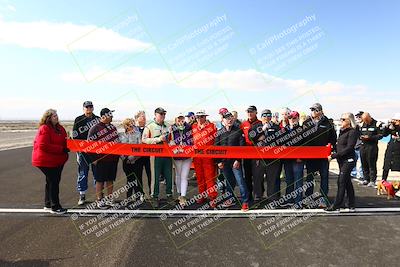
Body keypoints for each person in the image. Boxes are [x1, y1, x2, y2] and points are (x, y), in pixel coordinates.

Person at [32, 109, 69, 214]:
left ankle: (48, 204)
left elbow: (65, 140)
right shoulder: (44, 128)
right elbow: (43, 145)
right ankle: (55, 206)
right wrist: (61, 149)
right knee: (54, 182)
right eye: (54, 116)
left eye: (57, 115)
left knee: (50, 181)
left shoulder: (60, 128)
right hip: (45, 160)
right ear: (48, 118)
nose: (56, 117)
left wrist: (69, 144)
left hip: (56, 160)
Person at [303, 103, 337, 208]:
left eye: (315, 110)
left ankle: (323, 199)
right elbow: (303, 138)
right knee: (310, 177)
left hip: (323, 155)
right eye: (312, 109)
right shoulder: (306, 122)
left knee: (324, 176)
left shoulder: (328, 123)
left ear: (320, 111)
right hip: (310, 155)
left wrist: (331, 149)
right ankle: (308, 198)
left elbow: (333, 138)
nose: (313, 111)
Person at [215, 111, 249, 211]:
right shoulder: (219, 132)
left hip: (235, 162)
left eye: (231, 118)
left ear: (233, 119)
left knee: (240, 181)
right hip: (224, 163)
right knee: (229, 182)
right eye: (227, 118)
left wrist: (238, 160)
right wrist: (219, 161)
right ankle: (230, 199)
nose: (229, 120)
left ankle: (245, 202)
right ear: (223, 120)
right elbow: (216, 148)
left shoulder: (238, 131)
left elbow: (242, 147)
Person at [87, 108, 120, 209]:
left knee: (110, 179)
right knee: (99, 180)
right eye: (110, 115)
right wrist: (93, 159)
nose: (112, 117)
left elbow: (117, 142)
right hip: (100, 160)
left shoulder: (113, 128)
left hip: (112, 159)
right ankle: (99, 200)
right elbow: (89, 145)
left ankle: (110, 199)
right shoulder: (94, 128)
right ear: (104, 116)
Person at [326, 113, 359, 211]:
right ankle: (351, 204)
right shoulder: (342, 131)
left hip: (348, 160)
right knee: (347, 181)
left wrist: (334, 156)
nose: (341, 121)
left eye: (343, 119)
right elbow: (340, 145)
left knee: (341, 181)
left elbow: (349, 148)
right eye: (341, 119)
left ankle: (337, 205)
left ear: (349, 121)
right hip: (342, 160)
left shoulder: (352, 132)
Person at [249, 109, 282, 203]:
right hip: (258, 158)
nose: (266, 117)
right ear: (261, 116)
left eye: (268, 115)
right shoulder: (256, 126)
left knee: (272, 179)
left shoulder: (276, 127)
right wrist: (262, 130)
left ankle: (272, 198)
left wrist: (264, 139)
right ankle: (257, 197)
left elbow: (280, 138)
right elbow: (251, 137)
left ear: (271, 116)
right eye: (264, 115)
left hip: (272, 158)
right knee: (257, 178)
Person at [142, 107, 172, 208]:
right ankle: (154, 197)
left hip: (167, 155)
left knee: (169, 176)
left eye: (164, 114)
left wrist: (172, 143)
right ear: (155, 115)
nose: (163, 116)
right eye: (161, 114)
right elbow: (144, 140)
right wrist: (158, 139)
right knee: (155, 176)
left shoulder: (168, 126)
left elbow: (172, 140)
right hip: (155, 155)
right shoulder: (149, 126)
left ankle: (169, 195)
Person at [72, 100, 100, 206]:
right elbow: (75, 135)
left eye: (90, 107)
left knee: (97, 173)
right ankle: (82, 195)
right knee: (83, 172)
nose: (88, 109)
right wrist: (80, 148)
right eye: (86, 107)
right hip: (82, 151)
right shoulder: (78, 119)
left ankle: (98, 196)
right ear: (83, 108)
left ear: (93, 108)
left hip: (95, 151)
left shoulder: (97, 119)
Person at [192, 110, 218, 207]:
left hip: (208, 157)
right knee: (200, 177)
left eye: (202, 116)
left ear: (205, 117)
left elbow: (217, 140)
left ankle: (212, 197)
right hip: (197, 157)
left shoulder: (212, 126)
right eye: (198, 117)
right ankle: (202, 195)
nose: (199, 118)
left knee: (210, 178)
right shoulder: (193, 127)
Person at [281, 111, 307, 209]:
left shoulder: (302, 129)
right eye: (291, 118)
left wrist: (301, 156)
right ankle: (289, 199)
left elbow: (305, 144)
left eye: (294, 118)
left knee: (298, 180)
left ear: (297, 118)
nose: (292, 119)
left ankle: (298, 201)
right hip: (287, 158)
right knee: (289, 180)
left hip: (298, 159)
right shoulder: (285, 129)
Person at [119, 118, 144, 205]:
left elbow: (140, 148)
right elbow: (119, 149)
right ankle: (128, 198)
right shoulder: (121, 135)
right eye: (130, 125)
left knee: (137, 179)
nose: (132, 126)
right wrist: (124, 158)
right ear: (125, 126)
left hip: (136, 160)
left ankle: (138, 197)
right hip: (125, 161)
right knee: (129, 179)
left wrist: (132, 158)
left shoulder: (138, 134)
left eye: (133, 124)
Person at [170, 113, 193, 206]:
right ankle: (179, 194)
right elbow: (169, 141)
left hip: (187, 156)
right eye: (178, 119)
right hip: (177, 156)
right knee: (178, 175)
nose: (180, 121)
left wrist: (189, 148)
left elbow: (193, 140)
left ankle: (183, 196)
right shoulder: (172, 129)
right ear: (175, 120)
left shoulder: (189, 128)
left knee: (185, 176)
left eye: (182, 119)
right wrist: (173, 148)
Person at [240, 105, 261, 201]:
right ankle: (248, 195)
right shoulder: (243, 124)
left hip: (257, 152)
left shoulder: (260, 123)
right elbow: (240, 138)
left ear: (256, 112)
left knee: (257, 175)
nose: (249, 113)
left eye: (251, 111)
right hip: (246, 153)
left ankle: (258, 195)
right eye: (248, 111)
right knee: (247, 175)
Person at [359, 112, 384, 187]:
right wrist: (361, 137)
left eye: (366, 120)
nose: (365, 122)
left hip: (372, 146)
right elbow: (359, 133)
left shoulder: (377, 124)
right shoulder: (362, 124)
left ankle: (372, 180)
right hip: (363, 146)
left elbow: (380, 135)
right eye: (364, 120)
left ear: (370, 117)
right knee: (364, 163)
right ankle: (366, 179)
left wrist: (370, 137)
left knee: (371, 164)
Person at [134, 110, 152, 196]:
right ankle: (140, 194)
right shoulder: (133, 129)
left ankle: (151, 193)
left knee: (150, 175)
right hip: (137, 157)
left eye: (144, 116)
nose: (144, 118)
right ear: (137, 118)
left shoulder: (149, 128)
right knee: (138, 176)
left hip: (148, 156)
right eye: (142, 116)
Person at [382, 113, 400, 181]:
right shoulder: (393, 126)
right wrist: (387, 127)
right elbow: (384, 135)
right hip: (391, 148)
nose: (394, 122)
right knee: (386, 165)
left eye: (396, 120)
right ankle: (383, 181)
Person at [351, 111, 364, 183]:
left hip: (361, 145)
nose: (358, 118)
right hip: (354, 145)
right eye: (357, 117)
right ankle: (353, 173)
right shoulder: (355, 125)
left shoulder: (365, 125)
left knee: (362, 162)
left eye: (359, 116)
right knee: (354, 160)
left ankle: (362, 175)